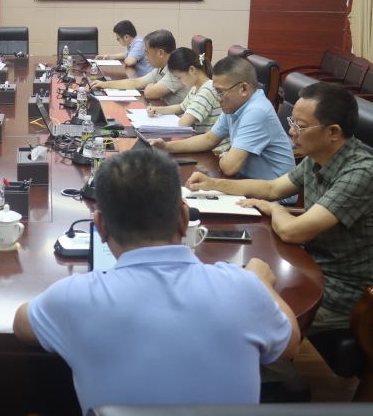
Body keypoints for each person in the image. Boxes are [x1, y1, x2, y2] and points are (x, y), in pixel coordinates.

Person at [12, 150, 299, 412]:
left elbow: (22, 325)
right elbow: (290, 344)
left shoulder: (72, 298)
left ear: (100, 226)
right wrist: (261, 281)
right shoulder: (244, 289)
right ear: (184, 219)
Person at [186, 82, 373, 344]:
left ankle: (278, 368)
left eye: (300, 126)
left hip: (342, 289)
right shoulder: (317, 156)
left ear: (333, 132)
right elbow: (272, 188)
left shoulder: (361, 173)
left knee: (243, 319)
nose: (291, 132)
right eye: (292, 122)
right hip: (309, 265)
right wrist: (213, 184)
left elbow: (292, 231)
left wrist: (275, 208)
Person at [149, 56, 296, 205]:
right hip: (246, 185)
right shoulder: (235, 105)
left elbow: (229, 167)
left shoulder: (257, 111)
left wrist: (225, 155)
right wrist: (167, 147)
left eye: (220, 92)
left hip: (273, 198)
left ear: (243, 89)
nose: (217, 98)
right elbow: (208, 140)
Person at [146, 47, 229, 152]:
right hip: (202, 143)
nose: (179, 82)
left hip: (215, 150)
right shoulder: (196, 87)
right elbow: (182, 107)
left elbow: (183, 123)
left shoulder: (207, 90)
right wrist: (158, 110)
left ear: (192, 69)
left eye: (179, 77)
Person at [93, 29, 188, 105]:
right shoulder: (161, 67)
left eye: (148, 53)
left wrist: (149, 86)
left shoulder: (176, 70)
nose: (146, 57)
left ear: (160, 53)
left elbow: (150, 93)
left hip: (177, 119)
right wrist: (105, 84)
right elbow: (136, 82)